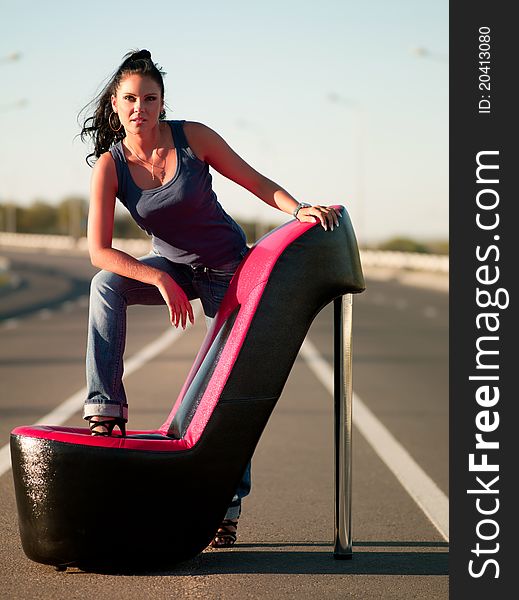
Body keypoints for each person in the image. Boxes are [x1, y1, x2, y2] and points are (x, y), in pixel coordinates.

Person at [79, 49, 340, 548]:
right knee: (106, 285)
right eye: (130, 99)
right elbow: (99, 252)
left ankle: (227, 508)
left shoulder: (192, 138)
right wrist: (159, 280)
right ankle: (106, 411)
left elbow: (256, 182)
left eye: (150, 99)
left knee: (228, 388)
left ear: (161, 103)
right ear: (115, 104)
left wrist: (299, 208)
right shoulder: (110, 167)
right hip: (171, 268)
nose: (141, 108)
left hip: (226, 272)